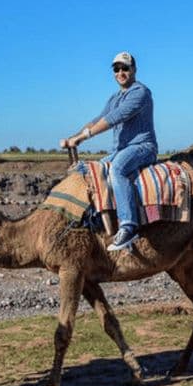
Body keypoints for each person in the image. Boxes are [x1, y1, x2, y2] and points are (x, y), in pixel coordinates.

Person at [61, 52, 157, 251]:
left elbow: (115, 118)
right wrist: (73, 138)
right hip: (120, 149)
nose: (120, 72)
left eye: (125, 68)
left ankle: (128, 226)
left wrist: (84, 136)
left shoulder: (140, 92)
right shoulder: (115, 97)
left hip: (142, 147)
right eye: (116, 69)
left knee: (117, 170)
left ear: (134, 70)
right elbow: (99, 119)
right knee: (89, 170)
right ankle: (94, 220)